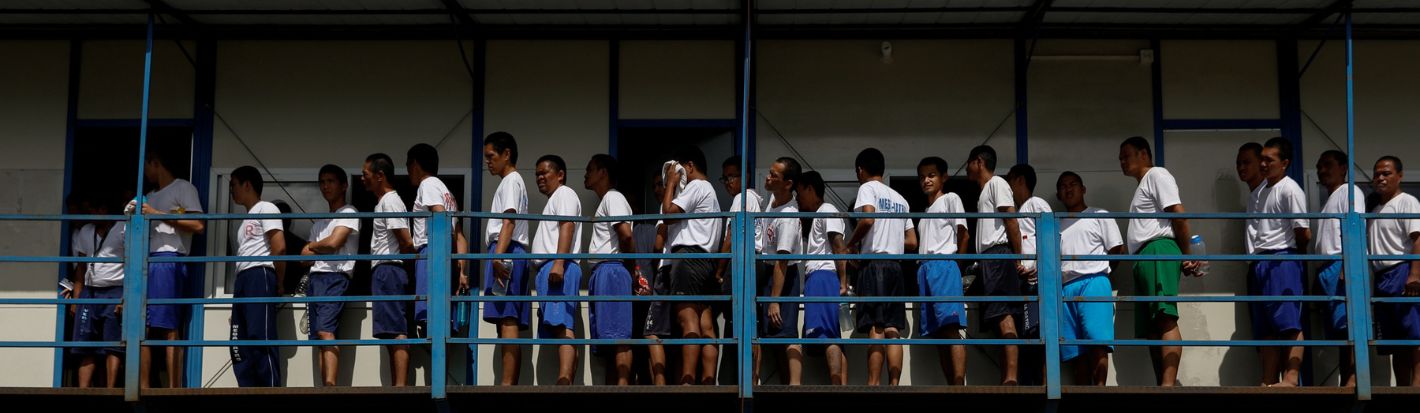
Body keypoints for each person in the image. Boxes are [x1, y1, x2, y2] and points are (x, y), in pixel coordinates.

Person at [1119, 136, 1201, 387]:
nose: (1122, 161)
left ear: (1144, 153)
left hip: (1157, 249)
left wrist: (1188, 255)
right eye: (1120, 158)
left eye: (1126, 155)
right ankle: (1163, 382)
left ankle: (1168, 384)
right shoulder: (1144, 184)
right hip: (1145, 255)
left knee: (1165, 316)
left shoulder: (1157, 175)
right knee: (1152, 327)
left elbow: (1178, 214)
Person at [134, 148, 205, 388]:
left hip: (169, 258)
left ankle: (174, 387)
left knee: (169, 326)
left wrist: (157, 214)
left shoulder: (182, 188)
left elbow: (198, 224)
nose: (144, 172)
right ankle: (142, 385)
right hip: (145, 260)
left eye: (146, 165)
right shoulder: (148, 195)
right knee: (140, 325)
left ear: (156, 162)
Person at [846, 148, 916, 386]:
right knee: (893, 328)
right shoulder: (901, 199)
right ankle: (894, 384)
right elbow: (912, 241)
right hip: (896, 266)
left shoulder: (867, 188)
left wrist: (850, 245)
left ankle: (873, 383)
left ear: (860, 170)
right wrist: (892, 238)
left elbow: (867, 219)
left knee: (876, 328)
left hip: (874, 265)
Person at [1248, 138, 1310, 387]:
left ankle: (1291, 378)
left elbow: (1303, 232)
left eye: (1269, 160)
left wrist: (1293, 261)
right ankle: (1268, 379)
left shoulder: (1290, 188)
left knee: (1289, 321)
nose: (1263, 164)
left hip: (1283, 258)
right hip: (1262, 261)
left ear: (1284, 163)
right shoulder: (1263, 190)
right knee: (1266, 327)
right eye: (1261, 158)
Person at [660, 145, 724, 385]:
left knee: (687, 320)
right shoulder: (712, 193)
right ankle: (708, 380)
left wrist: (670, 184)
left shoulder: (697, 186)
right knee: (705, 324)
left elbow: (668, 213)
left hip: (687, 258)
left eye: (678, 169)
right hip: (705, 260)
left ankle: (687, 381)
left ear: (689, 166)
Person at [1055, 172, 1123, 386]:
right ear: (1059, 194)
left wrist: (1099, 272)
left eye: (1073, 184)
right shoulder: (1055, 223)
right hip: (1066, 288)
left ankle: (1100, 389)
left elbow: (1117, 250)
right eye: (1063, 186)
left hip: (1094, 282)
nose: (1068, 189)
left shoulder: (1099, 214)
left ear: (1083, 189)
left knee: (1097, 342)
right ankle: (1082, 393)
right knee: (1075, 351)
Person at [966, 145, 1024, 385]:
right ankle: (1005, 375)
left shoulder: (997, 183)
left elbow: (1011, 219)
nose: (967, 167)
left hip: (999, 255)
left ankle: (1011, 377)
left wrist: (1017, 256)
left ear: (978, 162)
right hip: (989, 259)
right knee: (996, 317)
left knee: (1004, 315)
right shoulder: (985, 191)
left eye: (969, 162)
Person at [300, 165, 360, 386]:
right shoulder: (319, 222)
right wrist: (319, 247)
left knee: (326, 331)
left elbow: (335, 242)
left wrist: (314, 246)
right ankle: (322, 387)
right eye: (322, 182)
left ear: (344, 185)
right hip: (316, 279)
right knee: (318, 337)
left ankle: (330, 386)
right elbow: (303, 257)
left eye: (331, 181)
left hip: (335, 277)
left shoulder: (349, 212)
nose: (325, 186)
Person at [480, 132, 532, 385]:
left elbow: (508, 221)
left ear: (507, 154)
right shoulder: (510, 182)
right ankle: (508, 382)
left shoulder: (511, 180)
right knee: (505, 319)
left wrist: (497, 257)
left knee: (507, 318)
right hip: (507, 250)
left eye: (491, 156)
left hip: (507, 250)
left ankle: (507, 384)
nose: (488, 162)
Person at [585, 154, 640, 385]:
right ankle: (613, 389)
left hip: (612, 269)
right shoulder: (607, 200)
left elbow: (626, 235)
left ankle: (623, 388)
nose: (586, 175)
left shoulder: (613, 197)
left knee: (619, 336)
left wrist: (631, 268)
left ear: (603, 172)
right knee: (609, 336)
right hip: (605, 271)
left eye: (590, 169)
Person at [361, 153, 416, 386]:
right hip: (385, 270)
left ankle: (400, 386)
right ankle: (398, 384)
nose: (363, 179)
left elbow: (405, 241)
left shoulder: (391, 201)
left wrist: (410, 265)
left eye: (366, 175)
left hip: (390, 269)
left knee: (396, 330)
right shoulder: (383, 202)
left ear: (380, 176)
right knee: (389, 331)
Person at [228, 166, 284, 387]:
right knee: (237, 340)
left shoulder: (266, 207)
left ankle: (268, 389)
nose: (231, 190)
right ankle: (247, 389)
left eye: (233, 184)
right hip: (242, 278)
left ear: (247, 184)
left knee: (259, 335)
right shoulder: (244, 221)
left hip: (259, 273)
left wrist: (278, 282)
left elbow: (279, 247)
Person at [406, 143, 471, 336]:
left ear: (415, 164)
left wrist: (437, 258)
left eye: (408, 165)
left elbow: (439, 215)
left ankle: (441, 367)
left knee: (430, 321)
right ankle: (444, 367)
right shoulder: (447, 192)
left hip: (432, 253)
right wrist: (462, 271)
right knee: (443, 324)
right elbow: (460, 236)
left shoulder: (428, 184)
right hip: (447, 256)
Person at [531, 154, 585, 385]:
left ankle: (564, 379)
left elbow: (567, 226)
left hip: (558, 267)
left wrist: (559, 263)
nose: (540, 178)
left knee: (563, 325)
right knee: (561, 326)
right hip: (553, 268)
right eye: (537, 175)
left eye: (544, 173)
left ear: (560, 175)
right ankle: (567, 377)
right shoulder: (555, 198)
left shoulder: (564, 193)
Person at [915, 156, 969, 385]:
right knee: (938, 334)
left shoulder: (950, 198)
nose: (926, 180)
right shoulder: (925, 212)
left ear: (944, 177)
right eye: (922, 176)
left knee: (950, 328)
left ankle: (958, 385)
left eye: (931, 175)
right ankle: (950, 385)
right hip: (925, 268)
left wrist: (956, 265)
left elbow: (963, 233)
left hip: (944, 264)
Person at [1367, 155, 1420, 387]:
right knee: (1395, 339)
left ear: (1399, 176)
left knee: (1414, 333)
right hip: (1382, 276)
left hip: (1402, 271)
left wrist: (1415, 274)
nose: (1380, 178)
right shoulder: (1374, 208)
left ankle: (1417, 384)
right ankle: (1402, 387)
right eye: (1377, 173)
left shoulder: (1407, 201)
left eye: (1386, 173)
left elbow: (1418, 240)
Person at [1314, 150, 1364, 387]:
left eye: (1328, 165)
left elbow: (1356, 229)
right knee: (1338, 328)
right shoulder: (1330, 199)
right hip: (1328, 267)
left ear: (1344, 168)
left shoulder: (1349, 191)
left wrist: (1348, 264)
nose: (1322, 170)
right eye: (1319, 166)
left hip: (1341, 264)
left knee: (1349, 324)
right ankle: (1347, 378)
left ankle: (1353, 379)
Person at [755, 157, 804, 385]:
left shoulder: (788, 216)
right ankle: (784, 382)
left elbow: (782, 261)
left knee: (788, 332)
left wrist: (775, 299)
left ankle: (794, 386)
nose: (768, 177)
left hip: (784, 275)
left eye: (774, 175)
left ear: (788, 183)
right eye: (769, 172)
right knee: (769, 334)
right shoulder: (772, 201)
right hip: (768, 271)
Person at [796, 171, 849, 384]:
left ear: (810, 189)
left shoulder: (826, 209)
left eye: (799, 193)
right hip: (823, 277)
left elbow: (838, 245)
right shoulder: (821, 212)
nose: (798, 198)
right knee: (831, 335)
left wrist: (843, 283)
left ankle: (836, 386)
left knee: (827, 335)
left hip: (822, 276)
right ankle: (841, 387)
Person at [713, 155, 762, 385]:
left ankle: (741, 378)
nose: (727, 182)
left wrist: (719, 270)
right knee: (745, 324)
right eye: (725, 178)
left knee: (738, 322)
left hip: (741, 263)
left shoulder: (743, 198)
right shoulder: (755, 200)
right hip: (751, 263)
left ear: (746, 176)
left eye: (731, 176)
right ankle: (743, 376)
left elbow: (732, 236)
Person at [71, 192, 126, 388]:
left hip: (116, 291)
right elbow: (81, 266)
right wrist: (77, 297)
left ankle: (110, 390)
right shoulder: (86, 230)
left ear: (105, 210)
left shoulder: (123, 228)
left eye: (95, 210)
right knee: (85, 345)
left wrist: (125, 298)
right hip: (90, 291)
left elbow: (134, 264)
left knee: (113, 345)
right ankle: (82, 391)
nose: (91, 214)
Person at [1007, 163, 1051, 385]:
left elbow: (1048, 239)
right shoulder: (1020, 210)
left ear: (1020, 180)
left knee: (1039, 335)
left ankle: (1043, 383)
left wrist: (1032, 267)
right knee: (1028, 335)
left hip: (1038, 282)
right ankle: (1031, 382)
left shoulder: (1036, 203)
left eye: (1010, 181)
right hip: (1026, 283)